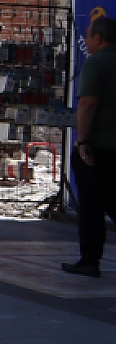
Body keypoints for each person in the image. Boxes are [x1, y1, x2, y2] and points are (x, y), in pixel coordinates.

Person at [65, 16, 116, 278]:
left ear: (98, 38)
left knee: (92, 206)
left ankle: (89, 260)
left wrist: (82, 141)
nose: (85, 41)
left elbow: (87, 104)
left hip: (99, 146)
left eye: (87, 36)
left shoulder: (96, 63)